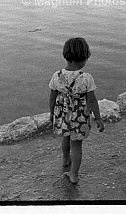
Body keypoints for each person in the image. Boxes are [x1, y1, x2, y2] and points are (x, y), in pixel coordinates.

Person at [49, 37, 105, 184]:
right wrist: (98, 118)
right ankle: (73, 174)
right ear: (84, 58)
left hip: (62, 114)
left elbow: (52, 97)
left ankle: (66, 159)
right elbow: (92, 100)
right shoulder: (86, 78)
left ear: (65, 55)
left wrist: (51, 114)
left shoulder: (57, 76)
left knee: (65, 137)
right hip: (79, 117)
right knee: (77, 145)